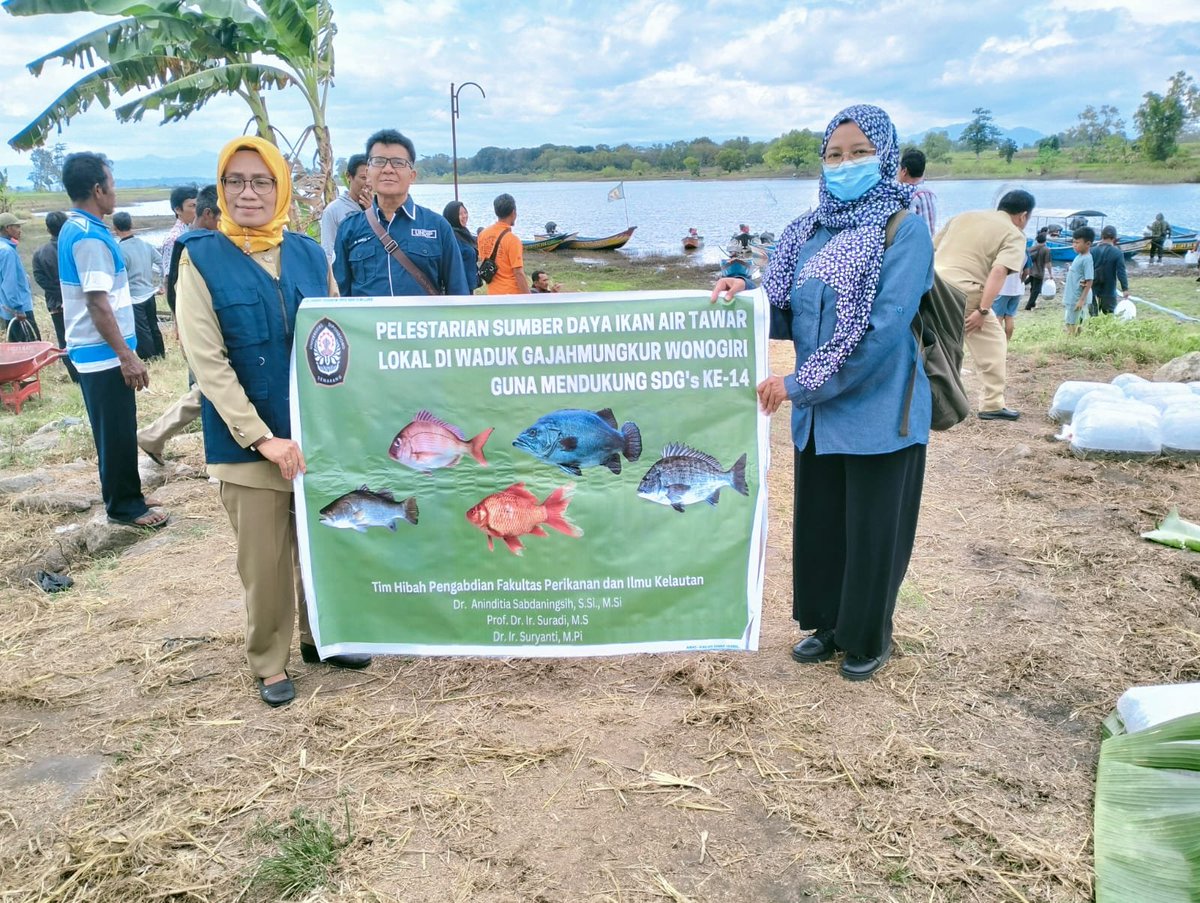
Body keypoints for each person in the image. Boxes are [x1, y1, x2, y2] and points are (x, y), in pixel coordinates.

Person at [712, 103, 934, 682]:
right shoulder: (806, 233)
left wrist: (799, 383)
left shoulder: (903, 231)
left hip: (879, 412)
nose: (845, 164)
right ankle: (828, 626)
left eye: (860, 152)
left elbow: (883, 329)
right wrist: (743, 293)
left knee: (872, 532)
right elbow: (785, 311)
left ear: (885, 157)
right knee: (823, 525)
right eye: (834, 155)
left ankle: (868, 637)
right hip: (819, 416)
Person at [177, 136, 371, 709]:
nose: (249, 193)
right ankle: (268, 660)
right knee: (264, 565)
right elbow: (208, 363)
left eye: (261, 181)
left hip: (313, 439)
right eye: (235, 181)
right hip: (246, 447)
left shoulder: (309, 254)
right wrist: (262, 438)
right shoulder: (199, 259)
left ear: (280, 186)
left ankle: (321, 639)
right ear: (220, 189)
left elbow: (339, 338)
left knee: (321, 548)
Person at [58, 152, 168, 529]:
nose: (115, 191)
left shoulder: (81, 227)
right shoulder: (88, 237)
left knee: (117, 427)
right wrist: (126, 355)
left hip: (100, 352)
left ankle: (129, 494)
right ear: (97, 189)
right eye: (113, 184)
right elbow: (97, 303)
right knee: (115, 431)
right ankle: (124, 508)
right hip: (103, 354)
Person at [933, 189, 1035, 421]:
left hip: (933, 285)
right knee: (994, 343)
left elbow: (931, 248)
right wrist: (982, 310)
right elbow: (998, 271)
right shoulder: (1014, 234)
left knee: (936, 344)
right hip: (964, 293)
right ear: (1023, 216)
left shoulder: (963, 217)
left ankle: (926, 398)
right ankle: (991, 404)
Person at [138, 184, 220, 465]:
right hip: (198, 327)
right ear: (208, 214)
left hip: (205, 326)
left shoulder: (202, 239)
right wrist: (179, 324)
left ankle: (153, 435)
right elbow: (172, 284)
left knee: (206, 389)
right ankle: (155, 436)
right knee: (210, 389)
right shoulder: (183, 242)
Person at [334, 129, 468, 298]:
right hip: (367, 317)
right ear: (367, 173)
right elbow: (341, 298)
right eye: (379, 161)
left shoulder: (437, 226)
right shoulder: (349, 229)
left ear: (412, 175)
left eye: (398, 163)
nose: (388, 169)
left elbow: (458, 293)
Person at [32, 211, 79, 381]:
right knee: (84, 336)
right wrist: (70, 293)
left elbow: (40, 278)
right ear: (66, 226)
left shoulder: (40, 253)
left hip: (56, 305)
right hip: (79, 302)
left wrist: (58, 294)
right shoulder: (75, 247)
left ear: (48, 229)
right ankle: (86, 372)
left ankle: (75, 376)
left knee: (64, 340)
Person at [112, 212, 164, 360]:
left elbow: (118, 276)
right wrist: (162, 284)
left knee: (142, 330)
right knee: (153, 326)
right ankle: (161, 354)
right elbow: (162, 263)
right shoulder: (145, 245)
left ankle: (150, 359)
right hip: (149, 293)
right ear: (131, 224)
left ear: (115, 228)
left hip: (134, 297)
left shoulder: (119, 250)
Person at [319, 153, 369, 264]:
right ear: (349, 176)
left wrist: (372, 212)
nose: (368, 183)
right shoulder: (333, 210)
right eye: (363, 178)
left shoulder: (380, 208)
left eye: (371, 178)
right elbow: (328, 252)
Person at [478, 193, 529, 295]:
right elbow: (518, 273)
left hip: (493, 293)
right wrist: (528, 298)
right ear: (513, 212)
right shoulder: (513, 240)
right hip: (511, 294)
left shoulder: (483, 234)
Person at [0, 211, 40, 340]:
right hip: (19, 311)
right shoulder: (7, 251)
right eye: (17, 226)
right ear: (7, 228)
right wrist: (18, 308)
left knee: (16, 348)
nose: (20, 230)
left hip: (6, 310)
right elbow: (9, 283)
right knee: (33, 347)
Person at [1090, 225, 1129, 316]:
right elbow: (1121, 272)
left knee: (1093, 314)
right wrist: (1125, 289)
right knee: (1109, 314)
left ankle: (1093, 322)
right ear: (1114, 238)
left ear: (1102, 236)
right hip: (1109, 287)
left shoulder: (1092, 251)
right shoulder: (1117, 253)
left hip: (1092, 286)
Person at [1062, 226, 1094, 337]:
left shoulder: (1087, 259)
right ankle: (1075, 337)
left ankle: (1072, 340)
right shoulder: (1079, 256)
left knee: (1072, 322)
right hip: (1072, 295)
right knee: (1073, 319)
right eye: (1073, 242)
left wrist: (1081, 300)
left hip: (1077, 297)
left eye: (1077, 242)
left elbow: (1089, 280)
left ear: (1088, 244)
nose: (1074, 245)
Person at [160, 185, 197, 277]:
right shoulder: (173, 239)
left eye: (199, 205)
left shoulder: (193, 231)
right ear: (178, 210)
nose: (197, 210)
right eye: (193, 206)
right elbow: (169, 276)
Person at [442, 200, 480, 291]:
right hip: (459, 287)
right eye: (460, 214)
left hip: (469, 285)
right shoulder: (451, 237)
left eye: (465, 212)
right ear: (452, 216)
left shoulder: (464, 233)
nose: (464, 216)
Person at [898, 148, 937, 235]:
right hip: (931, 242)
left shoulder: (907, 195)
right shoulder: (930, 194)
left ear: (904, 171)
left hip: (915, 242)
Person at [992, 268, 1024, 342]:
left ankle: (998, 341)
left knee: (998, 316)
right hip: (1017, 290)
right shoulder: (1023, 259)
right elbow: (1027, 271)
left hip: (1001, 289)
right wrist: (1020, 282)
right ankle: (1007, 341)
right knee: (1009, 316)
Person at [1023, 230, 1051, 312]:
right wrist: (1050, 274)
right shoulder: (1046, 250)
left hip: (1031, 271)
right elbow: (1048, 263)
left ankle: (1033, 303)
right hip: (1039, 272)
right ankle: (1028, 306)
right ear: (1045, 240)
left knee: (1033, 288)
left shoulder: (1031, 249)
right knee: (1036, 290)